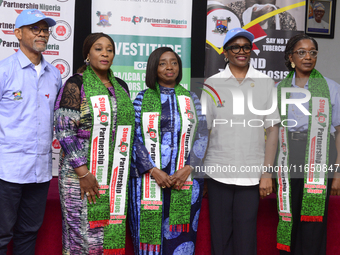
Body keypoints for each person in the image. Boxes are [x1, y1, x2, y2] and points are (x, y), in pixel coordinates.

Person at [202, 27, 280, 255]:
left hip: (252, 172)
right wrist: (201, 174)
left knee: (246, 237)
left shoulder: (265, 82)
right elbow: (204, 131)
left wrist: (267, 173)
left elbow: (272, 129)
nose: (241, 51)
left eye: (246, 46)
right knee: (220, 235)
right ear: (225, 52)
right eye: (235, 47)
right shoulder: (212, 83)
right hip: (217, 170)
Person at [54, 33, 134, 254]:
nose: (105, 53)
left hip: (113, 175)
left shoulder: (121, 87)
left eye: (109, 49)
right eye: (99, 49)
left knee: (107, 236)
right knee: (82, 236)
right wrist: (83, 174)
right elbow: (64, 131)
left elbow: (126, 130)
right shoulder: (75, 84)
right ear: (88, 54)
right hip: (80, 177)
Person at [128, 47, 208, 255]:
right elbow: (132, 138)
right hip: (148, 180)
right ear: (154, 68)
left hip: (185, 179)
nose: (169, 67)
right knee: (148, 239)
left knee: (182, 238)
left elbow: (202, 134)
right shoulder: (142, 99)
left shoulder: (192, 99)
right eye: (163, 63)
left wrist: (188, 168)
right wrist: (153, 170)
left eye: (174, 62)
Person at [0, 9, 61, 255]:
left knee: (28, 233)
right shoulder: (4, 70)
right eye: (35, 29)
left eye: (45, 29)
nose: (42, 34)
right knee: (2, 235)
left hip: (41, 171)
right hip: (8, 170)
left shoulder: (54, 74)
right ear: (17, 33)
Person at [275, 33, 340, 255]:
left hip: (320, 153)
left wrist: (338, 170)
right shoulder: (278, 88)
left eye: (312, 52)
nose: (308, 57)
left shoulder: (331, 88)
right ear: (291, 57)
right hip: (288, 152)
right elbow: (272, 130)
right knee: (289, 213)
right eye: (302, 52)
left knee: (313, 218)